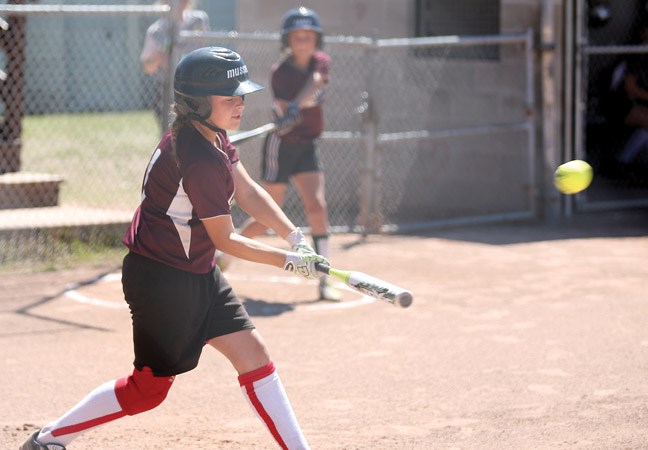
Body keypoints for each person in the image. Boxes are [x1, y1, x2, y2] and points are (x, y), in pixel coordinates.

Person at [19, 47, 328, 450]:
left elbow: (249, 191)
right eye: (228, 97)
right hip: (162, 280)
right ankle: (47, 440)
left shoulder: (210, 136)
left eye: (241, 96)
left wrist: (296, 238)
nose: (240, 104)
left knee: (253, 354)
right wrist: (289, 262)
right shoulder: (197, 158)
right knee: (148, 390)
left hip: (195, 271)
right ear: (198, 103)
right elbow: (225, 240)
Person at [235, 6, 341, 301]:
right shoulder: (280, 72)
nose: (303, 42)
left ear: (316, 40)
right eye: (297, 37)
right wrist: (287, 112)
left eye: (308, 37)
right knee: (267, 216)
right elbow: (282, 110)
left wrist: (296, 104)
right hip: (281, 146)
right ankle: (225, 255)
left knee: (317, 207)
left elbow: (317, 83)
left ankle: (325, 278)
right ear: (288, 41)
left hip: (306, 145)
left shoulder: (321, 62)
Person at [140, 0, 209, 129]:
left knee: (199, 132)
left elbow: (203, 47)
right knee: (172, 133)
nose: (177, 2)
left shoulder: (197, 21)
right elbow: (147, 67)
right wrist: (160, 55)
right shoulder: (157, 31)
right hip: (168, 89)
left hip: (196, 87)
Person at [603, 22, 648, 163]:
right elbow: (630, 87)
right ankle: (621, 161)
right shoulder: (637, 55)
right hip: (620, 104)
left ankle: (626, 160)